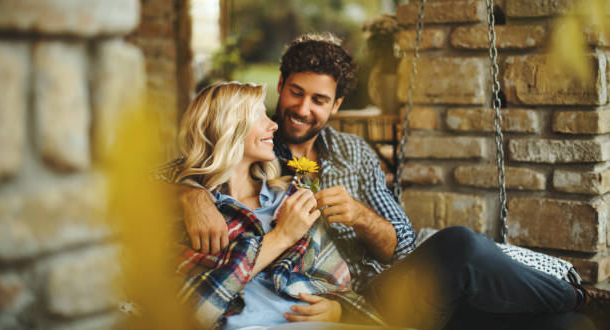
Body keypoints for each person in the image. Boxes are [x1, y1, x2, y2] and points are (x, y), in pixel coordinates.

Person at [162, 33, 606, 329]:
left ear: (335, 105)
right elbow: (184, 166)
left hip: (388, 288)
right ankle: (585, 298)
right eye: (295, 93)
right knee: (462, 247)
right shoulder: (256, 152)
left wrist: (359, 216)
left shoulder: (354, 154)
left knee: (566, 326)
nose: (300, 109)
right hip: (350, 302)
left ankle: (579, 304)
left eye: (319, 100)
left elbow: (404, 243)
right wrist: (188, 191)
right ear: (281, 84)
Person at [172, 81, 386, 329]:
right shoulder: (194, 211)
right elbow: (190, 312)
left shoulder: (287, 195)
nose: (273, 125)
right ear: (228, 127)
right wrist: (282, 236)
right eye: (258, 115)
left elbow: (336, 283)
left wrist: (338, 309)